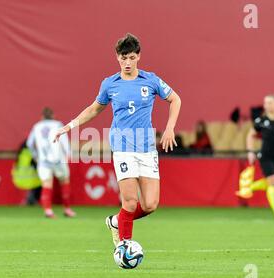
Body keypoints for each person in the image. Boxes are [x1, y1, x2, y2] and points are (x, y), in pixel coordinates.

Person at [53, 33, 182, 246]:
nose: (127, 62)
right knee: (130, 202)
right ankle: (124, 246)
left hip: (147, 148)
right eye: (123, 58)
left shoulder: (150, 80)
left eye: (131, 57)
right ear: (117, 57)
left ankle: (115, 221)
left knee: (150, 205)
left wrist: (170, 128)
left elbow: (175, 99)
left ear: (138, 56)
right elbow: (94, 109)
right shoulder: (110, 84)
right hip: (123, 148)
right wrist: (70, 126)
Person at [27, 107, 76, 218]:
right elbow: (64, 141)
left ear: (42, 117)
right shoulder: (58, 124)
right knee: (64, 181)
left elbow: (30, 144)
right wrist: (68, 154)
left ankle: (48, 211)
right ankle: (67, 209)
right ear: (53, 115)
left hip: (44, 161)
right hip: (59, 160)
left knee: (46, 184)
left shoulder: (36, 127)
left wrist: (36, 156)